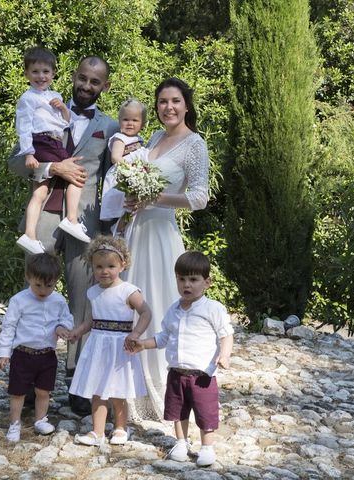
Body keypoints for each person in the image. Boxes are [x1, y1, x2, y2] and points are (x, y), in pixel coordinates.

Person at [8, 55, 119, 416]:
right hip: (44, 215)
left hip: (84, 220)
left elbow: (117, 176)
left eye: (95, 82)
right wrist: (52, 166)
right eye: (82, 78)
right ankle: (26, 383)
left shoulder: (110, 125)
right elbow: (14, 161)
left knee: (82, 301)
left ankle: (78, 384)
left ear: (104, 86)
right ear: (73, 77)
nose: (87, 86)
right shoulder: (40, 102)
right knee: (37, 293)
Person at [122, 78, 210, 421]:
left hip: (161, 233)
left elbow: (200, 197)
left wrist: (155, 198)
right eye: (161, 102)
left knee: (156, 304)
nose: (168, 107)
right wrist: (132, 197)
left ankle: (159, 394)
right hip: (136, 230)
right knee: (129, 302)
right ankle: (124, 392)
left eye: (175, 101)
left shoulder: (194, 144)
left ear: (186, 104)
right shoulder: (155, 138)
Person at [131, 251, 233, 467]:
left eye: (193, 280)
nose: (187, 284)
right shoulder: (173, 311)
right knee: (178, 410)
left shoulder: (212, 309)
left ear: (207, 282)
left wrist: (224, 355)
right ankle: (180, 442)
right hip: (177, 373)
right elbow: (163, 337)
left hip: (202, 374)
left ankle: (207, 447)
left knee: (205, 412)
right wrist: (143, 344)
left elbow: (226, 333)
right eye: (182, 279)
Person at [67, 236, 152, 446]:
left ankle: (121, 428)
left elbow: (146, 313)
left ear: (123, 265)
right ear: (92, 267)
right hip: (98, 345)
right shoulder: (93, 292)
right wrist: (78, 331)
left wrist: (136, 334)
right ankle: (97, 432)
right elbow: (92, 319)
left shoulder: (128, 291)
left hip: (119, 346)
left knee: (118, 390)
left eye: (111, 266)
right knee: (97, 389)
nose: (105, 271)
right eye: (99, 267)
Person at [14, 47, 90, 255]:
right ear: (26, 73)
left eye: (46, 72)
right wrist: (29, 152)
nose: (41, 76)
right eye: (35, 72)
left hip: (53, 139)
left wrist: (64, 109)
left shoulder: (55, 95)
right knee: (77, 175)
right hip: (43, 142)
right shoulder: (27, 98)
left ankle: (29, 235)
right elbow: (24, 126)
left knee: (39, 192)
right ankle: (72, 219)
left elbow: (64, 124)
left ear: (54, 73)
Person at [0, 253, 74, 442]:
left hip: (47, 355)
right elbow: (9, 327)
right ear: (28, 277)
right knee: (17, 391)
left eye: (49, 286)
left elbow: (66, 318)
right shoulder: (19, 300)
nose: (43, 290)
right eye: (38, 285)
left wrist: (62, 328)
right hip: (23, 354)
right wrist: (4, 353)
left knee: (44, 391)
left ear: (56, 281)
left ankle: (40, 419)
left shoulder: (58, 300)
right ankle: (15, 424)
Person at [99, 99, 148, 228]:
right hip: (120, 176)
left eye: (135, 120)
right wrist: (132, 169)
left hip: (133, 177)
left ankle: (123, 228)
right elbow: (115, 157)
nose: (130, 123)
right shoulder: (120, 138)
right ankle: (117, 228)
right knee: (122, 207)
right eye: (126, 119)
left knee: (132, 208)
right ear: (119, 121)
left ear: (143, 123)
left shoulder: (139, 140)